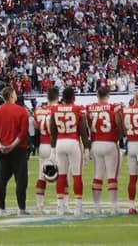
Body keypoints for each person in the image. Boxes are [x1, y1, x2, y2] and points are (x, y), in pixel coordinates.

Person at [0, 85, 30, 215]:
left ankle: (1, 207)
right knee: (21, 179)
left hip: (2, 150)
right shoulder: (21, 111)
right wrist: (13, 145)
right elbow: (23, 132)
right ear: (12, 96)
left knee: (1, 180)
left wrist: (0, 145)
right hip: (18, 149)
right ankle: (21, 208)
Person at [48, 86, 88, 216]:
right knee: (77, 175)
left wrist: (53, 149)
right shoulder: (78, 109)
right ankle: (78, 207)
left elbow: (52, 131)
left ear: (63, 98)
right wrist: (87, 147)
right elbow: (82, 131)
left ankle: (60, 207)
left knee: (62, 175)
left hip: (60, 142)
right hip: (73, 142)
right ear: (74, 97)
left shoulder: (55, 109)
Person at [85, 86, 121, 214]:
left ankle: (97, 207)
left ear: (97, 95)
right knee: (112, 176)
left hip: (96, 143)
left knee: (97, 176)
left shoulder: (90, 108)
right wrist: (119, 135)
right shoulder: (113, 107)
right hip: (110, 142)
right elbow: (118, 122)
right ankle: (113, 207)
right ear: (108, 95)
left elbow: (87, 125)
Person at [120, 90, 138, 213]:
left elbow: (123, 128)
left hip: (130, 143)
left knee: (132, 178)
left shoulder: (125, 110)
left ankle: (132, 206)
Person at [33, 87, 58, 212]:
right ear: (57, 98)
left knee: (41, 176)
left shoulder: (38, 111)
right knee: (62, 175)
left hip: (43, 145)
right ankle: (62, 205)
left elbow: (36, 128)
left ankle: (39, 206)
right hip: (55, 146)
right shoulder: (58, 109)